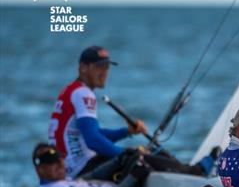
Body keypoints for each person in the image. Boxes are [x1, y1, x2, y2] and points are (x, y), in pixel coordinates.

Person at [48, 45, 217, 179]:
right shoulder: (84, 94)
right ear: (83, 68)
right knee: (145, 156)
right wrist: (129, 154)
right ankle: (196, 173)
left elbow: (93, 134)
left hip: (72, 166)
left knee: (142, 153)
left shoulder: (70, 91)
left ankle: (188, 171)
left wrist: (126, 132)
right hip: (81, 168)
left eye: (107, 67)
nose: (104, 72)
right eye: (99, 67)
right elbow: (93, 141)